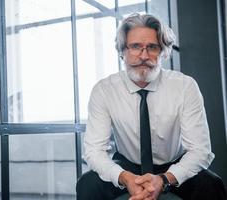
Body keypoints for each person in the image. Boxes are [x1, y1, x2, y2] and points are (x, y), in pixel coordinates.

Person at [76, 13, 227, 200]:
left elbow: (200, 150)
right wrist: (125, 177)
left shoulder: (185, 86)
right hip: (128, 165)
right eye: (135, 47)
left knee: (212, 185)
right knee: (87, 184)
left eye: (152, 47)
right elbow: (94, 151)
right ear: (122, 50)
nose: (144, 55)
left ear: (163, 51)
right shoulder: (104, 90)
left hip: (173, 163)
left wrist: (164, 179)